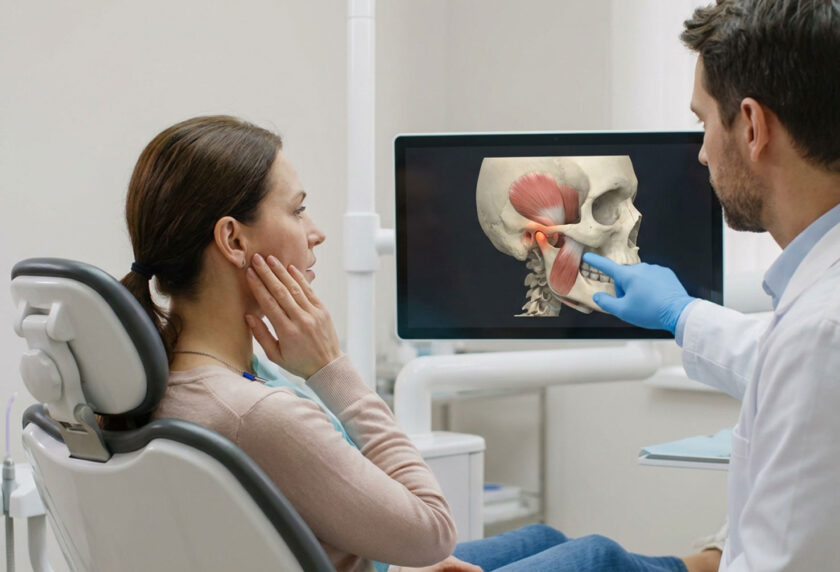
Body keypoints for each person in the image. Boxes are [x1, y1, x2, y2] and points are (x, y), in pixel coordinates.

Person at [119, 115, 712, 572]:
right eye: (298, 211)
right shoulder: (258, 412)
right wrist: (331, 367)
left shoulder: (169, 378)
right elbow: (432, 530)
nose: (316, 232)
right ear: (233, 239)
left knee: (548, 541)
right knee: (598, 556)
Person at [584, 1, 840, 570]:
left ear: (754, 127)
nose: (704, 151)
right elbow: (802, 361)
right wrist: (681, 315)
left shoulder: (834, 336)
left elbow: (823, 358)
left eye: (704, 122)